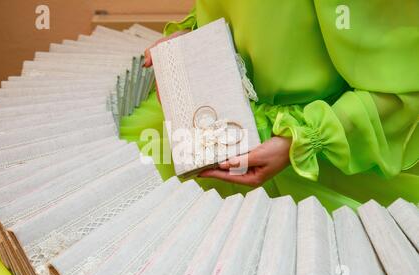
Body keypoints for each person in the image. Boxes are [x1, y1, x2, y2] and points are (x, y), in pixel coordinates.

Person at [121, 0, 419, 211]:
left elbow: (402, 86)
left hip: (324, 164)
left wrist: (300, 142)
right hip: (220, 129)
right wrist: (192, 37)